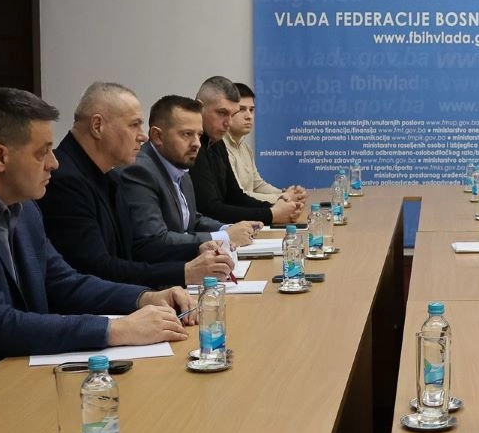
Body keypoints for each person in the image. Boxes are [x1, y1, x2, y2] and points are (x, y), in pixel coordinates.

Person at [0, 88, 196, 416]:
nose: (54, 163)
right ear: (0, 157)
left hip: (5, 382)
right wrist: (115, 330)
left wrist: (144, 298)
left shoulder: (25, 208)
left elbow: (63, 283)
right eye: (42, 152)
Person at [38, 82, 233, 288]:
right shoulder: (65, 182)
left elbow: (137, 248)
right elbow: (97, 270)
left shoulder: (108, 176)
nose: (143, 136)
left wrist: (196, 249)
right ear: (97, 126)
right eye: (134, 125)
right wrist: (184, 273)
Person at [116, 95, 259, 262]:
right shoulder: (140, 171)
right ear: (157, 136)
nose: (197, 143)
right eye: (187, 134)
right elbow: (155, 240)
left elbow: (191, 220)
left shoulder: (180, 167)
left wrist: (227, 228)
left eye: (199, 135)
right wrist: (225, 236)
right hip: (158, 274)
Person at [188, 76, 300, 225]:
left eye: (232, 114)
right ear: (199, 107)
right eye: (222, 113)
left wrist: (275, 208)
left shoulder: (217, 143)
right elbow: (209, 209)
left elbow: (235, 195)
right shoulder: (193, 147)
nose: (228, 123)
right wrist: (271, 214)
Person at [225, 82, 306, 204]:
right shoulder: (220, 149)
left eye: (251, 110)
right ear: (227, 112)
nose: (249, 116)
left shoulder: (245, 147)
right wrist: (283, 198)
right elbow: (240, 196)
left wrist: (284, 193)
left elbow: (258, 185)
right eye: (241, 109)